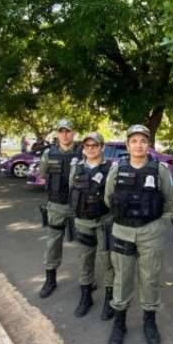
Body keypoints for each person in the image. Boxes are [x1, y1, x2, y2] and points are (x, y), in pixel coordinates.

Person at [104, 124, 173, 344]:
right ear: (127, 145)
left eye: (143, 141)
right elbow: (108, 198)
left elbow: (170, 200)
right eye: (134, 141)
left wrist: (158, 222)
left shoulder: (159, 170)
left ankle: (149, 321)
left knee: (150, 278)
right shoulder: (117, 169)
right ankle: (119, 324)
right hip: (123, 230)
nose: (138, 145)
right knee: (122, 277)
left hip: (151, 231)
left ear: (149, 145)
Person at [68, 132, 115, 319]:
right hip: (82, 222)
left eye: (95, 146)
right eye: (87, 146)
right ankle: (85, 296)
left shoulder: (111, 168)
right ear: (83, 148)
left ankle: (109, 299)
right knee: (84, 259)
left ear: (102, 147)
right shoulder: (76, 168)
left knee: (108, 261)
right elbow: (73, 190)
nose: (91, 149)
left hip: (104, 222)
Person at [38, 120, 81, 299]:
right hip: (56, 205)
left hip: (79, 205)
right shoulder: (49, 154)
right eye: (61, 131)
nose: (64, 134)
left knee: (84, 244)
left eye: (68, 131)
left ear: (73, 133)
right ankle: (50, 280)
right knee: (53, 243)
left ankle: (87, 279)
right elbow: (42, 174)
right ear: (57, 134)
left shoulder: (82, 153)